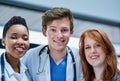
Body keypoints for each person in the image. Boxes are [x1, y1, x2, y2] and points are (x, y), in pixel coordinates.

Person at [22, 7, 82, 81]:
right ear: (44, 32)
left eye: (64, 30)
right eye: (53, 30)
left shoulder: (80, 58)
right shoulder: (31, 57)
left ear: (71, 32)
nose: (59, 35)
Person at [0, 16, 32, 81]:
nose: (20, 42)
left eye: (25, 38)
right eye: (14, 37)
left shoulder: (28, 72)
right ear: (3, 42)